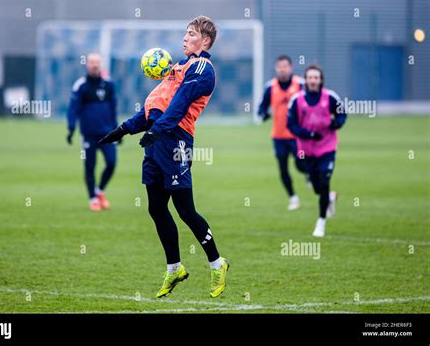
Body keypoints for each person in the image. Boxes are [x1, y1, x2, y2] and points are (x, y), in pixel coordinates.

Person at [99, 16, 229, 298]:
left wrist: (157, 130)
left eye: (191, 33)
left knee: (185, 210)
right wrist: (121, 130)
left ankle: (217, 263)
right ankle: (174, 268)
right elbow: (152, 109)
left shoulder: (202, 69)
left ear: (205, 41)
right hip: (156, 141)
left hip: (175, 141)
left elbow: (180, 105)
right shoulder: (177, 68)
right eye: (185, 32)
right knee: (156, 208)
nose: (185, 37)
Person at [287, 64, 347, 237]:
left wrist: (337, 123)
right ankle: (329, 197)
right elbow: (291, 125)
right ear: (305, 80)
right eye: (310, 77)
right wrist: (308, 134)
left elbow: (342, 113)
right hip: (306, 150)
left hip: (327, 148)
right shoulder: (297, 100)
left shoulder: (330, 97)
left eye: (316, 77)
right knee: (316, 187)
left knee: (325, 179)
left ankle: (320, 223)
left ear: (321, 80)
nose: (313, 80)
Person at [66, 53, 119, 211]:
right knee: (90, 165)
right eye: (91, 62)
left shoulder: (109, 85)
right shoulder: (81, 85)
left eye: (97, 62)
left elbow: (113, 109)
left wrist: (118, 131)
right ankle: (93, 199)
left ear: (101, 64)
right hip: (89, 134)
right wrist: (71, 128)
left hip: (107, 133)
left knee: (111, 163)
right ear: (86, 64)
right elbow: (73, 109)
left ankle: (99, 191)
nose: (94, 65)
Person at [258, 55, 307, 210]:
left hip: (297, 135)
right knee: (283, 169)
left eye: (285, 66)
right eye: (279, 66)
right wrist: (264, 115)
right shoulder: (270, 87)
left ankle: (309, 174)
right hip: (279, 136)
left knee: (301, 164)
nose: (282, 69)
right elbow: (262, 109)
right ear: (276, 68)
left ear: (291, 67)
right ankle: (293, 198)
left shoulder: (300, 84)